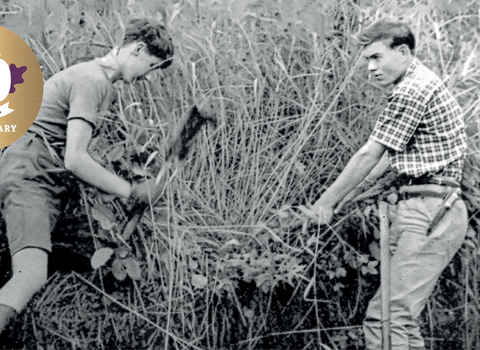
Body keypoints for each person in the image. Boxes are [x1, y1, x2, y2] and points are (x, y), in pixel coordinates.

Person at [0, 17, 174, 331]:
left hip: (46, 178)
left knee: (83, 249)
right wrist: (131, 191)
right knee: (30, 275)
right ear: (136, 49)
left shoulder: (100, 82)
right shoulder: (91, 80)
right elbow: (75, 159)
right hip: (31, 173)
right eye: (151, 66)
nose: (149, 79)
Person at [303, 19, 468, 349]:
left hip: (432, 208)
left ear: (403, 51)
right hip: (428, 205)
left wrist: (324, 202)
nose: (371, 67)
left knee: (388, 319)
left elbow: (368, 155)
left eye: (377, 57)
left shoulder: (412, 90)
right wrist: (343, 201)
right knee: (400, 322)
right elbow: (383, 163)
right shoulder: (416, 83)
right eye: (367, 60)